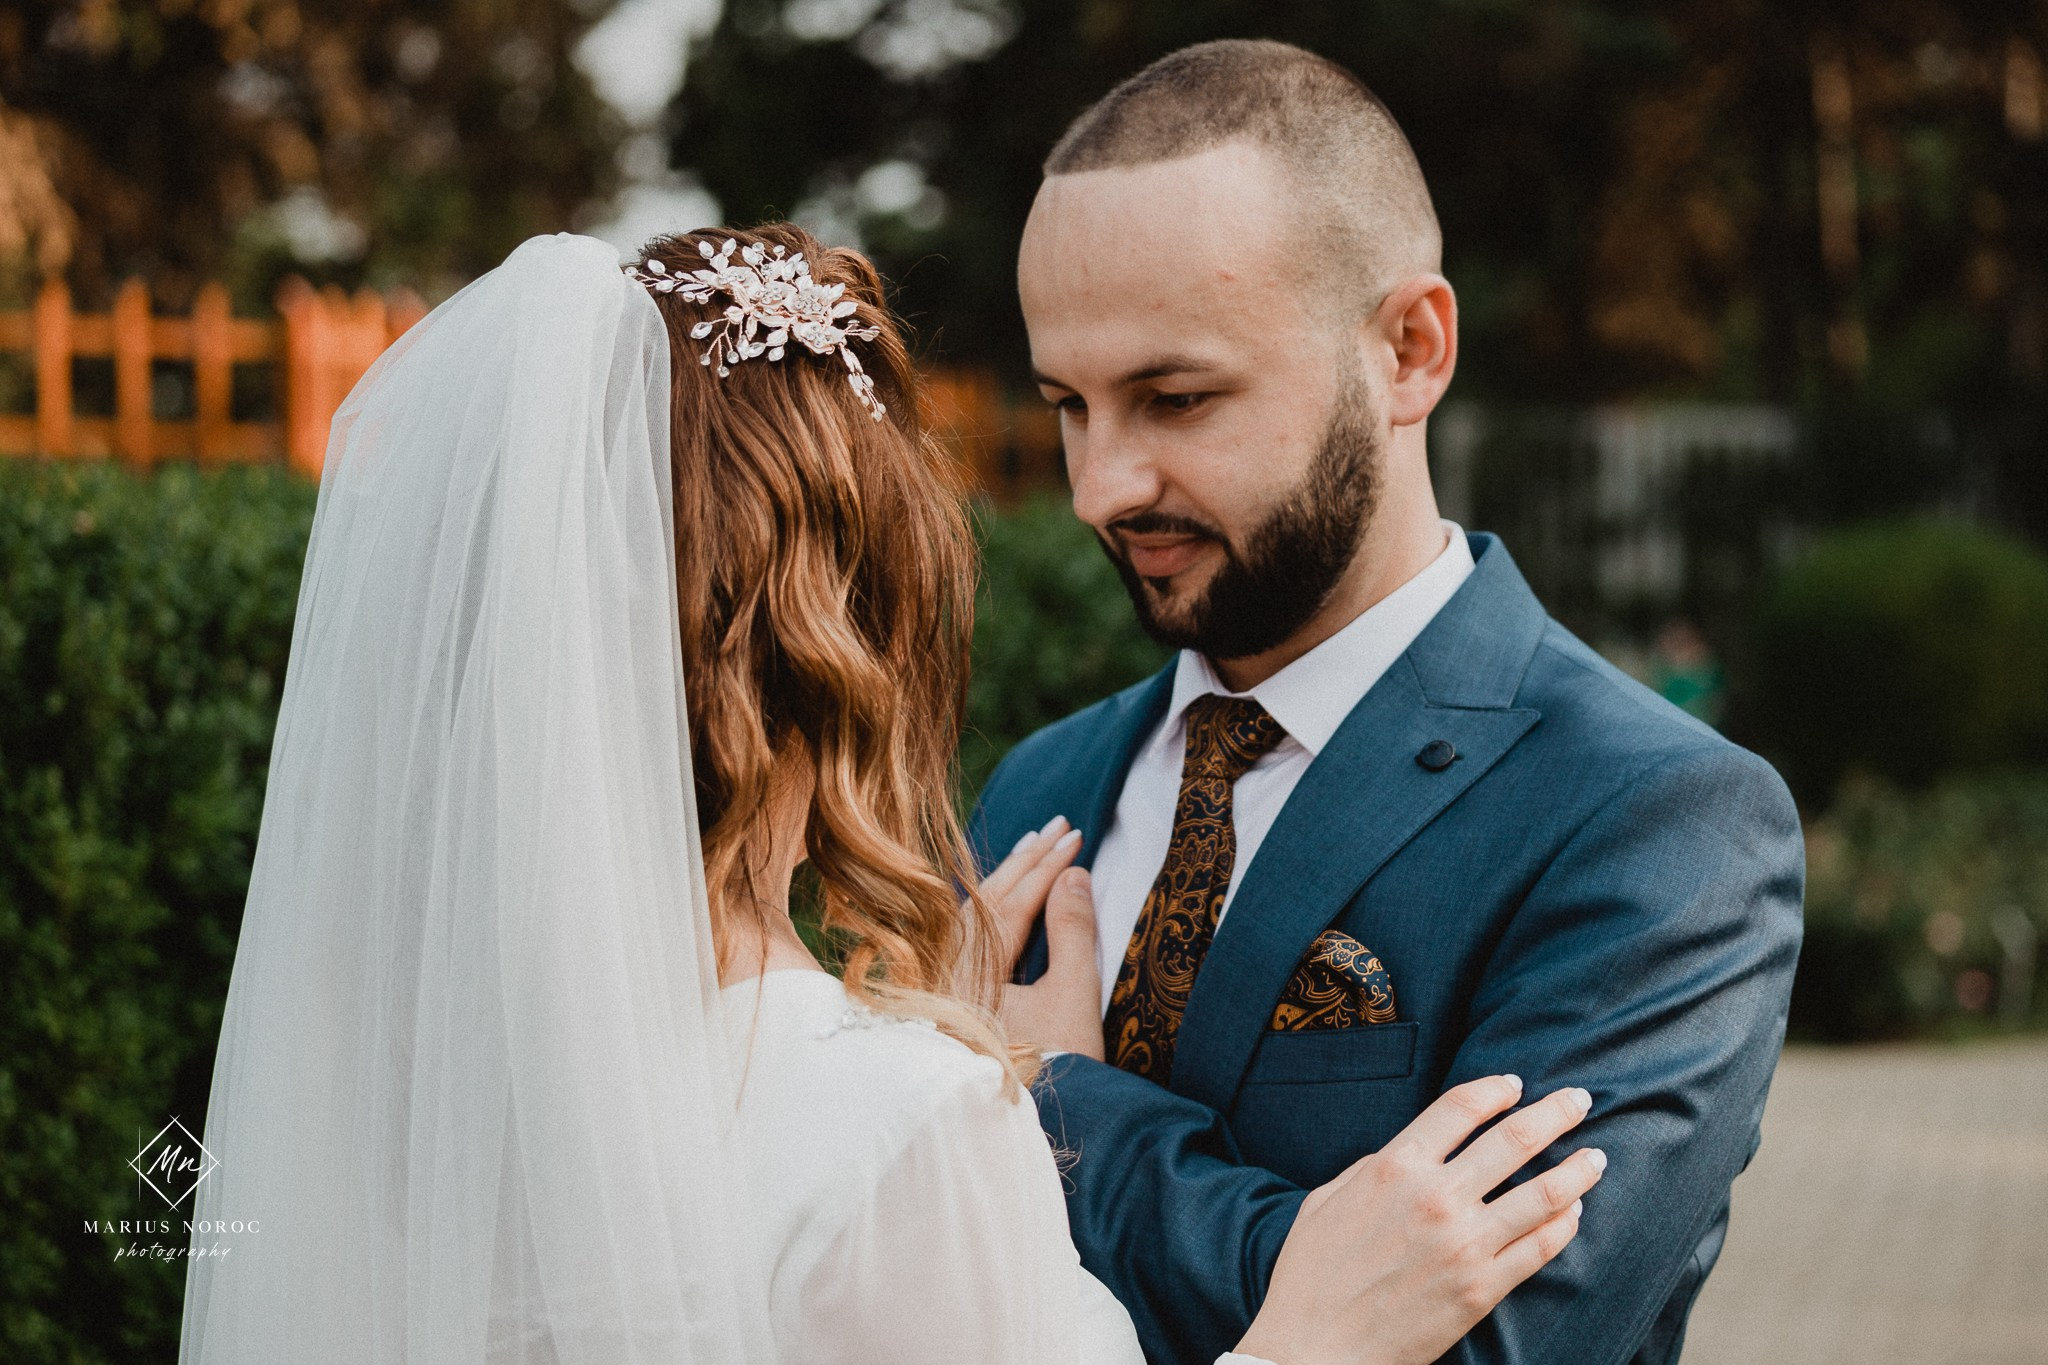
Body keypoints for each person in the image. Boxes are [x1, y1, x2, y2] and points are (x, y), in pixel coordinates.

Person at [178, 226, 1603, 1364]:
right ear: (839, 647)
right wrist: (1307, 1346)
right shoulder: (897, 1130)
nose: (1105, 480)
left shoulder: (382, 1115)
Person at [976, 39, 1806, 1365]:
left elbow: (1499, 1341)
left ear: (1410, 349)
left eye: (1174, 397)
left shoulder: (1656, 820)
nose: (1099, 486)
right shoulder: (1035, 796)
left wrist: (1062, 1109)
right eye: (1069, 406)